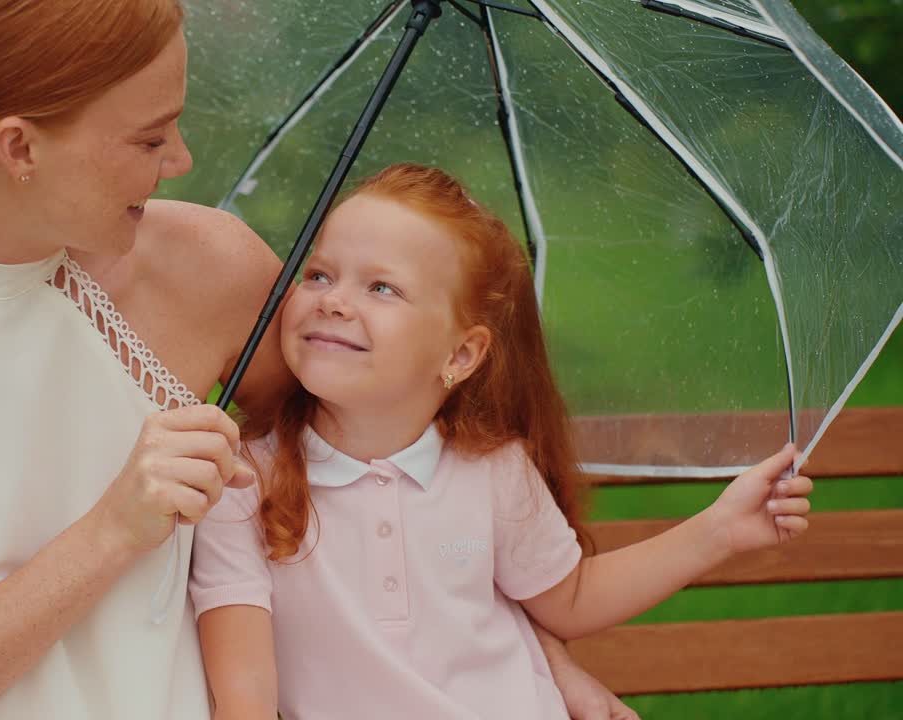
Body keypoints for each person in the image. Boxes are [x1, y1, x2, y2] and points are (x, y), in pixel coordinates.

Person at [0, 0, 634, 716]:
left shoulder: (215, 267)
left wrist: (532, 657)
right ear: (19, 148)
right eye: (148, 136)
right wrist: (111, 532)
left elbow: (367, 475)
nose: (181, 159)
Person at [190, 163, 815, 720]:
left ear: (460, 353)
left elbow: (568, 599)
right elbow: (244, 691)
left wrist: (719, 531)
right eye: (320, 274)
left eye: (382, 288)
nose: (335, 302)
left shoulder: (492, 469)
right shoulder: (241, 482)